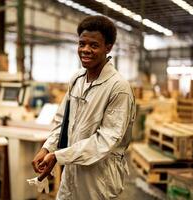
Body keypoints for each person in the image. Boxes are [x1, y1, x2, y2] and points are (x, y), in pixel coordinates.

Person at [32, 15, 136, 199]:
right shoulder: (77, 79)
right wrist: (47, 148)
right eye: (82, 44)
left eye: (94, 45)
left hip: (98, 177)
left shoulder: (118, 88)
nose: (85, 50)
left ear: (108, 47)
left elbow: (106, 140)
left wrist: (59, 156)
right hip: (71, 170)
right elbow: (62, 122)